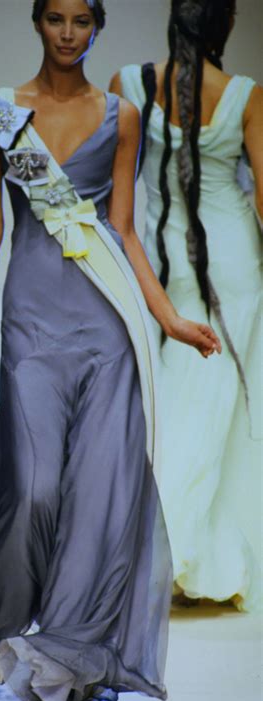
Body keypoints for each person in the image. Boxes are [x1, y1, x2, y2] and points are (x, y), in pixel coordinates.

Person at [0, 0, 222, 701]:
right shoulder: (0, 111)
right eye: (56, 18)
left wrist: (168, 318)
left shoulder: (122, 116)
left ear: (97, 28)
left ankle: (66, 650)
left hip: (107, 324)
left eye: (81, 21)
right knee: (32, 488)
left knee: (98, 496)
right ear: (36, 22)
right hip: (31, 322)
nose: (68, 33)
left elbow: (123, 230)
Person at [110, 0, 263, 612]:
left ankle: (162, 552)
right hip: (233, 263)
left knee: (171, 401)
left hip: (160, 263)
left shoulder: (129, 83)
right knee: (219, 406)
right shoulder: (246, 95)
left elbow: (110, 187)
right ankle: (187, 555)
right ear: (227, 25)